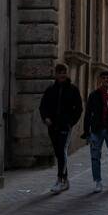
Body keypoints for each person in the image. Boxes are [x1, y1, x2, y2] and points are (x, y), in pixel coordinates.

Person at [39, 64, 82, 194]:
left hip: (65, 126)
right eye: (60, 72)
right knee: (59, 153)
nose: (62, 75)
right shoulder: (50, 90)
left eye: (64, 72)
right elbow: (43, 106)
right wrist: (45, 118)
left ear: (67, 74)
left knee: (62, 150)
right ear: (56, 74)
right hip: (52, 126)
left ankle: (60, 180)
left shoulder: (73, 90)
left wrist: (71, 122)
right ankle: (65, 180)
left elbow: (79, 109)